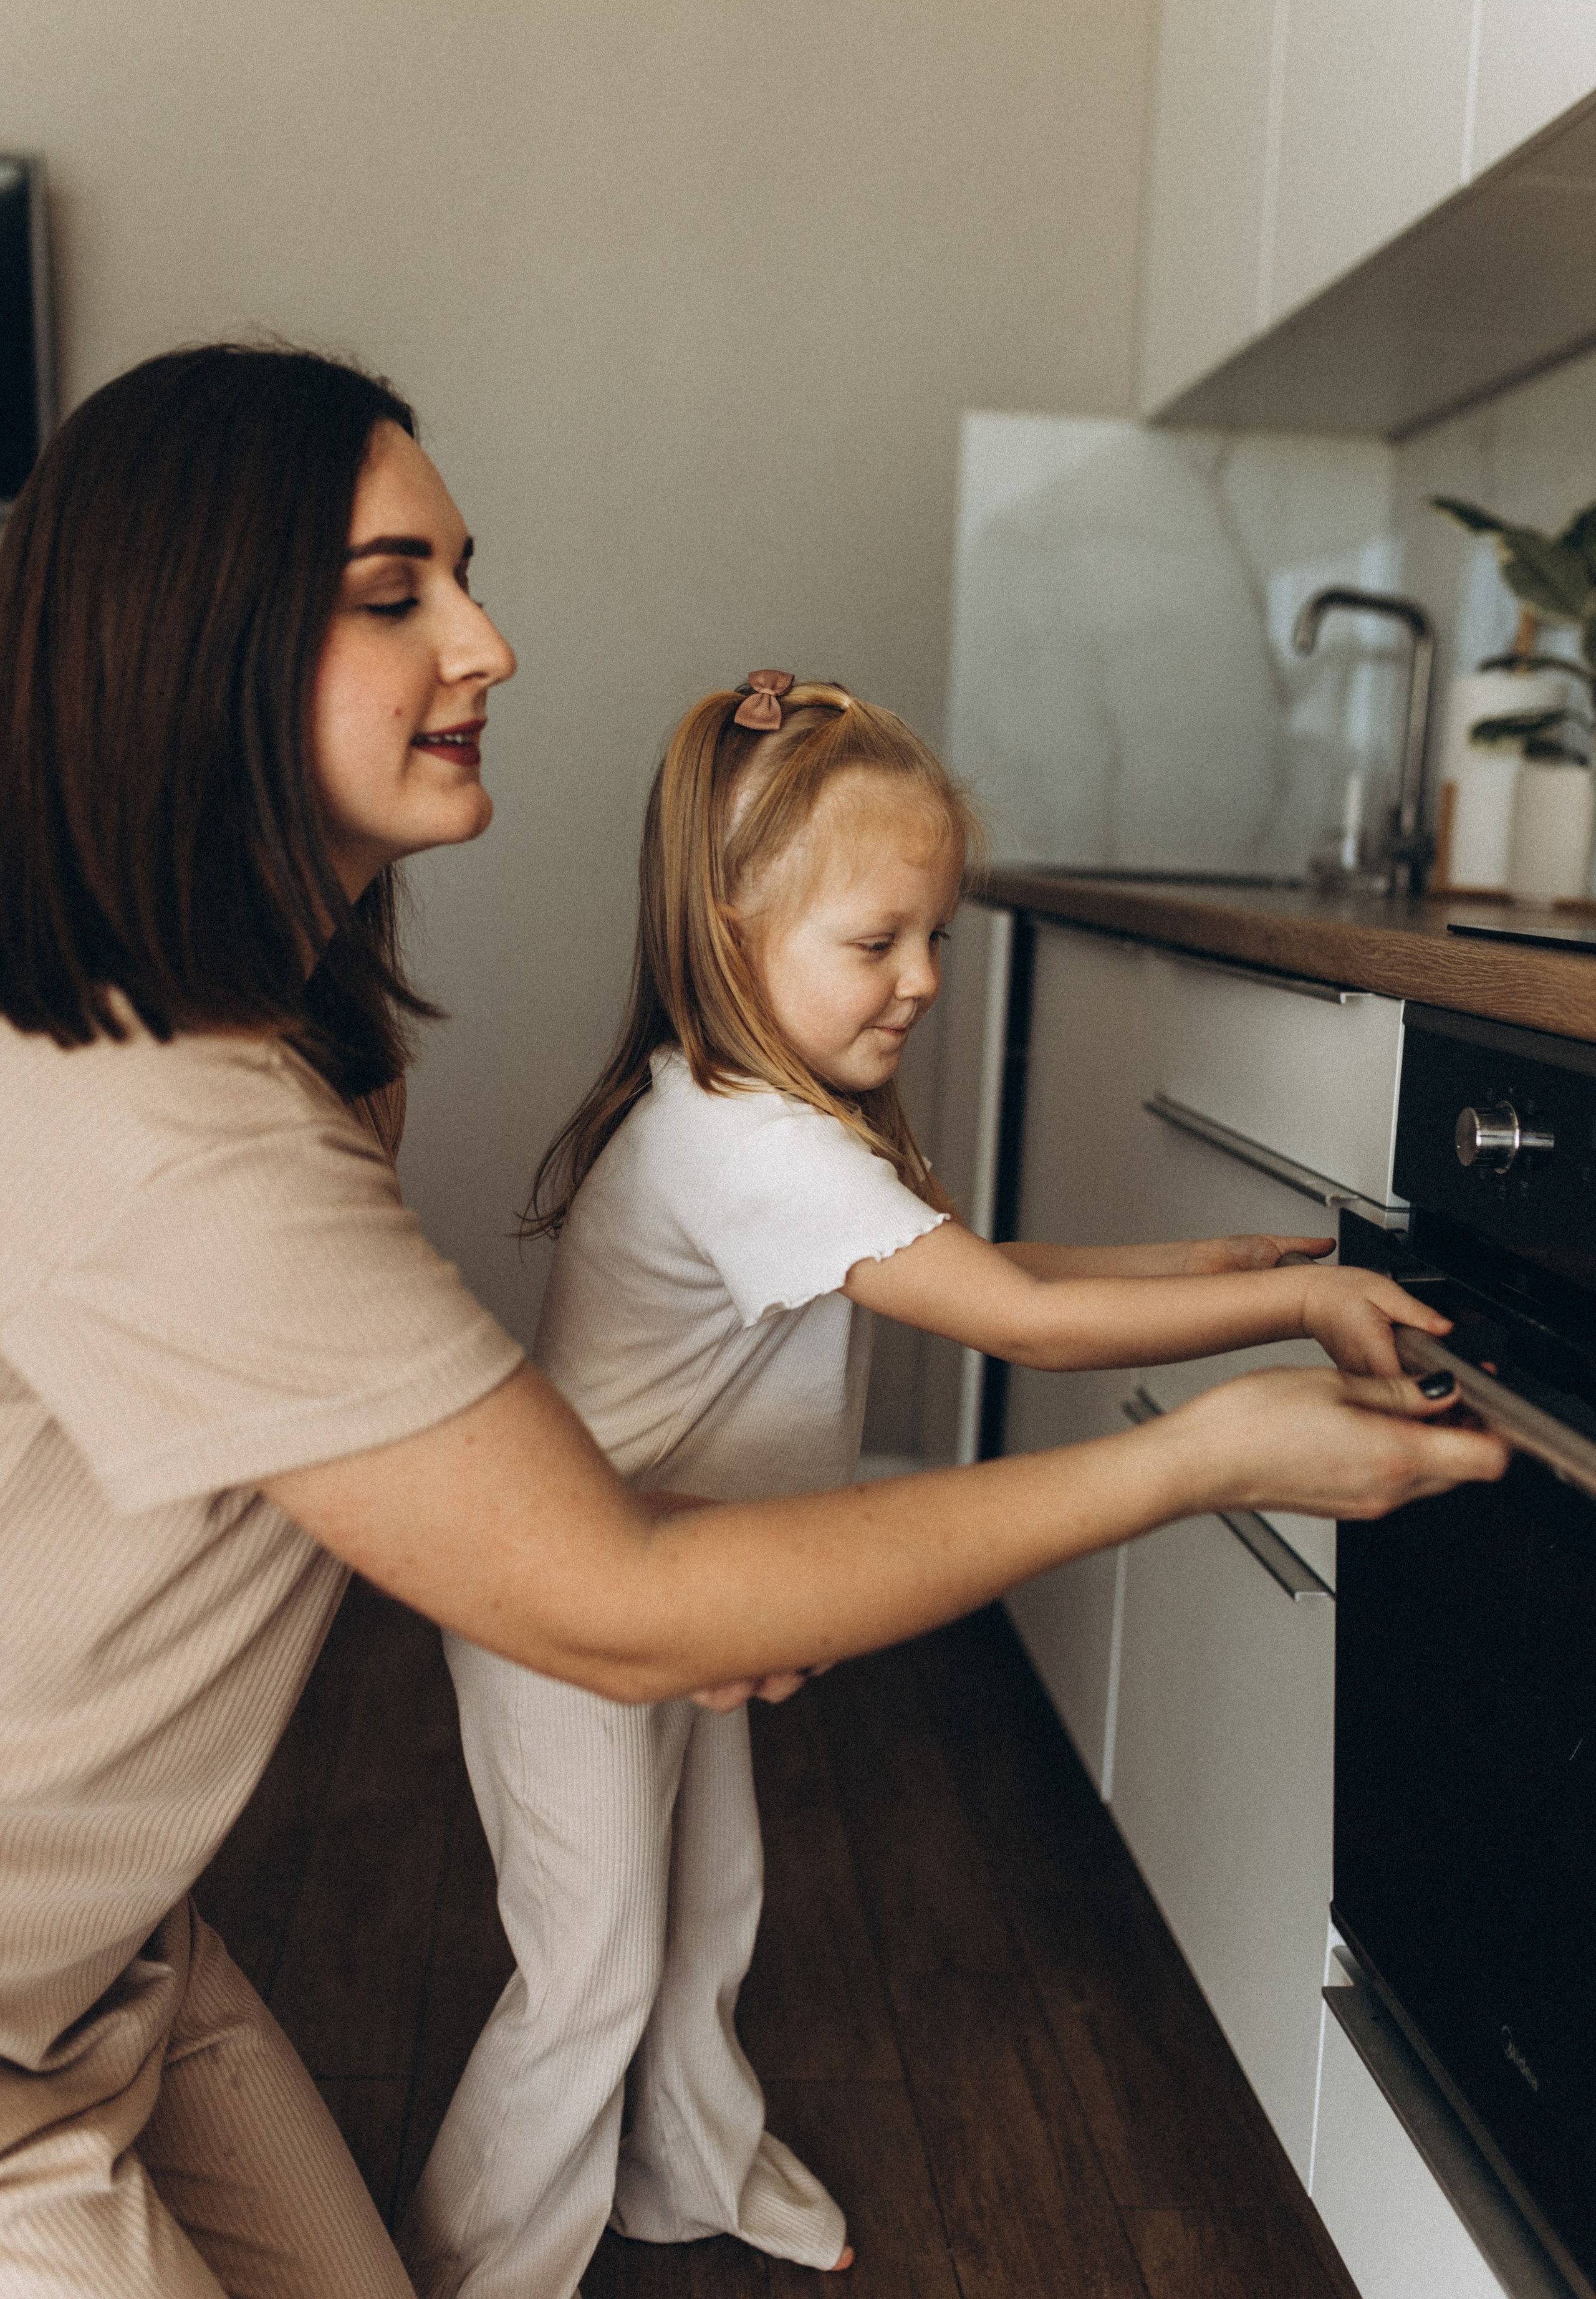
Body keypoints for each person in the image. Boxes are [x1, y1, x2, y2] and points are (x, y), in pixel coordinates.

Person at [0, 345, 1506, 2299]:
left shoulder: (305, 1050)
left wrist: (719, 1583)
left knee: (668, 1939)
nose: (491, 640)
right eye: (397, 595)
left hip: (112, 1954)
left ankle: (685, 2161)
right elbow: (618, 1585)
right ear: (185, 649)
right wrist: (1213, 1442)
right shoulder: (169, 1127)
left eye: (465, 571)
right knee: (600, 1957)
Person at [404, 673, 1471, 2299]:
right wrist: (1289, 1305)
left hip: (692, 1570)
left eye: (938, 938)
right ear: (732, 914)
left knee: (711, 1902)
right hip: (572, 1613)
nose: (920, 981)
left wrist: (1238, 1263)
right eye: (877, 939)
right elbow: (1024, 1321)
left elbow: (977, 1271)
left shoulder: (768, 1106)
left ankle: (687, 2166)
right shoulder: (749, 1142)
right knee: (591, 1966)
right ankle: (465, 2267)